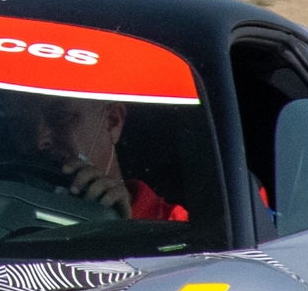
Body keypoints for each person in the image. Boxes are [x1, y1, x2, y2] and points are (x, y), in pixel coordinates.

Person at [24, 95, 188, 223]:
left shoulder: (175, 227)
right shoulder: (3, 220)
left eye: (60, 117)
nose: (39, 141)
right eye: (20, 122)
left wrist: (121, 232)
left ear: (112, 121)